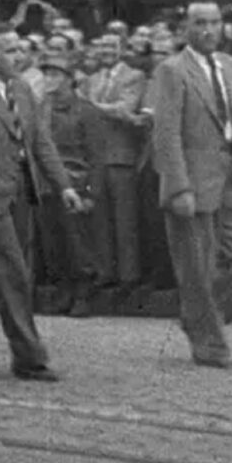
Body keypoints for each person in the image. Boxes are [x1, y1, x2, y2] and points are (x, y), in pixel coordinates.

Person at [0, 24, 84, 383]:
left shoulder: (23, 89)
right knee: (13, 273)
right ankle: (29, 356)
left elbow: (40, 143)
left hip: (22, 196)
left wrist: (64, 187)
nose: (18, 55)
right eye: (9, 50)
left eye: (19, 48)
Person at [151, 1, 232, 368]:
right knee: (197, 267)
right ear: (186, 28)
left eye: (215, 23)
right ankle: (209, 343)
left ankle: (197, 314)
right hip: (194, 179)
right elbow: (166, 134)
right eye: (200, 23)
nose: (209, 30)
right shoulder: (172, 70)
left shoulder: (231, 67)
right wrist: (178, 186)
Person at [37, 55, 104, 317]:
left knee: (78, 242)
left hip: (76, 182)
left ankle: (83, 294)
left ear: (69, 79)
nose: (50, 80)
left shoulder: (86, 111)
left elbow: (97, 156)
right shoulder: (41, 108)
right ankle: (63, 291)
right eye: (47, 74)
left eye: (56, 75)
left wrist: (91, 193)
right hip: (46, 183)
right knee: (53, 242)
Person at [84, 33, 147, 294]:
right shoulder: (91, 79)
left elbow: (125, 109)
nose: (106, 50)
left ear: (122, 49)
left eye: (111, 45)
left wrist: (91, 106)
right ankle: (105, 272)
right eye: (102, 45)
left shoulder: (134, 76)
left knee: (125, 219)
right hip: (96, 158)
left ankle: (129, 275)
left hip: (122, 157)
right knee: (100, 219)